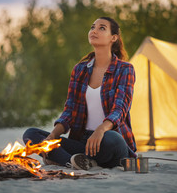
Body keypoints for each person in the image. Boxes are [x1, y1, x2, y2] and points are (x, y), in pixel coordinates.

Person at [23, 16, 137, 170]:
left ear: (113, 38)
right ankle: (74, 162)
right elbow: (69, 110)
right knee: (31, 134)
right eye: (92, 27)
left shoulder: (125, 69)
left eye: (101, 28)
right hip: (83, 143)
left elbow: (120, 109)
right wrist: (53, 136)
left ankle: (61, 158)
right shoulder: (80, 70)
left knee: (111, 139)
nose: (94, 30)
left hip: (110, 142)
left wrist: (100, 130)